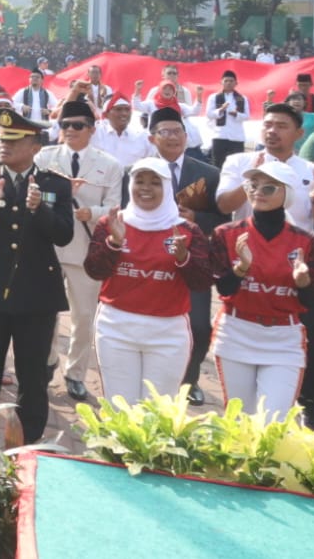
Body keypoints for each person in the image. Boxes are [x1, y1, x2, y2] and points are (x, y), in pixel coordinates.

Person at [0, 109, 76, 444]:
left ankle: (26, 448)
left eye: (13, 140)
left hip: (36, 297)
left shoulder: (55, 184)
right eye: (1, 140)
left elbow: (64, 235)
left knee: (33, 377)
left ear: (35, 146)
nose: (3, 145)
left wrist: (41, 211)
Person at [217, 102, 314, 425]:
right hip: (247, 261)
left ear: (299, 134)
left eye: (281, 126)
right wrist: (251, 181)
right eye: (267, 125)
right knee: (242, 328)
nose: (272, 131)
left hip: (297, 267)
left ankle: (308, 402)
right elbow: (224, 204)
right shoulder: (240, 162)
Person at [82, 157, 213, 403]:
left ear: (167, 188)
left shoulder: (187, 231)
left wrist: (183, 257)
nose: (145, 188)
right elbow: (94, 270)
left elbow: (202, 282)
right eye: (139, 181)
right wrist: (114, 243)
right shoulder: (111, 223)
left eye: (155, 182)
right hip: (116, 328)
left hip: (168, 332)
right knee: (120, 408)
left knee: (157, 412)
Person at [36, 99, 124, 404]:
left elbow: (115, 207)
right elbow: (33, 196)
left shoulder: (109, 164)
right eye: (64, 125)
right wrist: (62, 194)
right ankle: (45, 364)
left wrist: (91, 211)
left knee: (83, 316)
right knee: (44, 311)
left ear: (91, 128)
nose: (70, 131)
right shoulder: (45, 158)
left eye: (77, 125)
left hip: (84, 249)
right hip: (47, 247)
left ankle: (75, 374)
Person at [137, 106, 222, 405]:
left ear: (186, 137)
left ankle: (190, 378)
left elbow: (224, 219)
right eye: (165, 132)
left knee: (198, 325)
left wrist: (198, 218)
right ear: (152, 138)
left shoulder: (208, 174)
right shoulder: (137, 172)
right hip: (147, 259)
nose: (172, 137)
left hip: (192, 261)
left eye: (178, 132)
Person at [205, 70, 250, 167]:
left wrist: (237, 114)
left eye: (231, 81)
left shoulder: (242, 98)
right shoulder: (214, 97)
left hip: (236, 137)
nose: (229, 83)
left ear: (236, 83)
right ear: (221, 82)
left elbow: (246, 116)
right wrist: (220, 110)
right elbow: (209, 114)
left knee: (237, 165)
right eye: (226, 81)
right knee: (218, 165)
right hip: (220, 135)